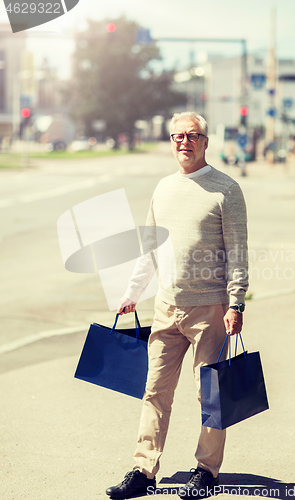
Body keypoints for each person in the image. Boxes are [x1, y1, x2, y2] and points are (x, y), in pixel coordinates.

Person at [106, 111, 249, 500]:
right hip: (166, 307)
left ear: (206, 141)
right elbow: (149, 249)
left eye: (192, 135)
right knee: (154, 390)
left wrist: (236, 302)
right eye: (177, 136)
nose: (184, 142)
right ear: (171, 142)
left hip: (210, 309)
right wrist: (133, 292)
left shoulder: (226, 189)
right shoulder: (163, 188)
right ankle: (143, 469)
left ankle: (206, 470)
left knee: (211, 394)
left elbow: (237, 252)